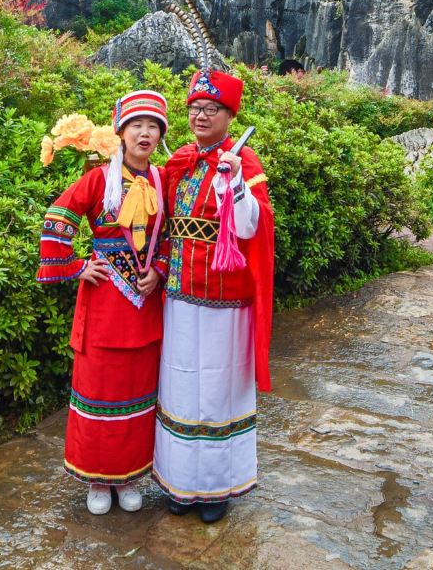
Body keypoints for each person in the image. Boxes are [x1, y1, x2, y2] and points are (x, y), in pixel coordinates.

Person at [37, 90, 170, 514]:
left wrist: (160, 269)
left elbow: (169, 237)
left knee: (138, 393)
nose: (145, 134)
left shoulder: (164, 179)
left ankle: (130, 477)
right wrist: (76, 266)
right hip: (104, 304)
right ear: (121, 133)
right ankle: (97, 482)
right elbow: (58, 217)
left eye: (153, 127)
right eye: (137, 126)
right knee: (99, 392)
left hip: (145, 304)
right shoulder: (98, 179)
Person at [152, 68, 275, 523]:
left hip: (227, 301)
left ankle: (216, 489)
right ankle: (181, 484)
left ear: (229, 114)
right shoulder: (180, 162)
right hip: (180, 295)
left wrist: (235, 184)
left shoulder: (246, 163)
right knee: (181, 384)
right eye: (195, 108)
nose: (200, 116)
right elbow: (156, 225)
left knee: (219, 389)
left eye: (211, 109)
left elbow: (250, 228)